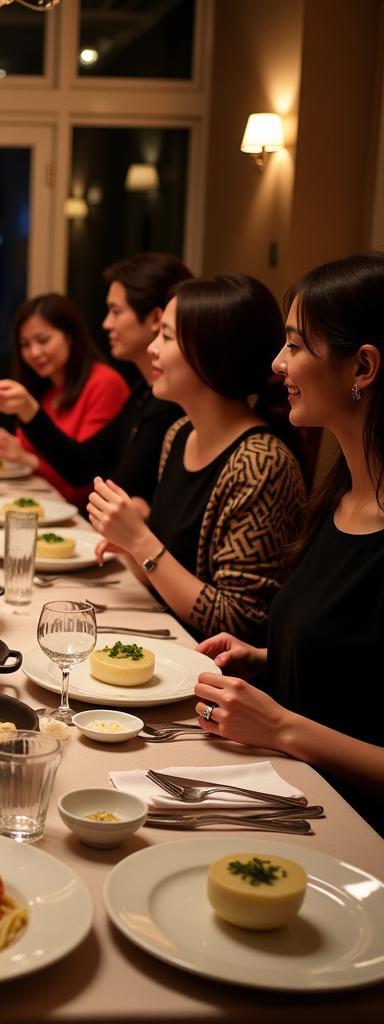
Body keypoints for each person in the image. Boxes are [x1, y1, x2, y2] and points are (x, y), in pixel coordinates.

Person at [190, 253, 383, 833]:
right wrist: (268, 660)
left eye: (296, 346)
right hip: (291, 792)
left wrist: (280, 727)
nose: (278, 365)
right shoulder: (341, 497)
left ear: (364, 367)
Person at [86, 274, 306, 643]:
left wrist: (142, 542)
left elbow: (240, 620)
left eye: (167, 337)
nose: (153, 349)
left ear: (211, 352)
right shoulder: (180, 433)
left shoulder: (261, 463)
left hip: (209, 676)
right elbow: (173, 576)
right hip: (167, 643)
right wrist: (132, 547)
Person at [0, 252, 190, 504]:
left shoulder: (169, 402)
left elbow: (97, 482)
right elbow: (81, 465)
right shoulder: (144, 392)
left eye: (115, 312)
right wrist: (27, 408)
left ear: (155, 319)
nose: (106, 324)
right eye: (25, 344)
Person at [0, 293, 130, 505]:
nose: (34, 352)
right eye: (25, 344)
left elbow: (84, 486)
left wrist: (27, 460)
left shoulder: (104, 383)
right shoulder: (48, 388)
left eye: (43, 340)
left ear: (70, 336)